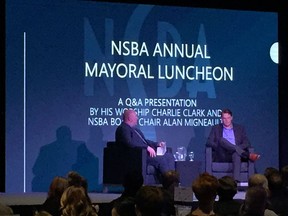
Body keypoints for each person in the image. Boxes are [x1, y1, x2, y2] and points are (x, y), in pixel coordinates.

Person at [115, 109, 175, 182]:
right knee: (161, 159)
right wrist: (146, 148)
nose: (137, 118)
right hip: (137, 156)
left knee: (169, 156)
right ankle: (168, 183)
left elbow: (145, 141)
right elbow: (129, 143)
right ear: (130, 118)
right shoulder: (123, 128)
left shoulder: (136, 130)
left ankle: (173, 180)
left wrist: (157, 144)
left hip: (144, 154)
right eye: (136, 116)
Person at [206, 108, 260, 182]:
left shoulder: (240, 128)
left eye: (228, 118)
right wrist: (219, 145)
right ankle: (247, 155)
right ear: (221, 119)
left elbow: (247, 143)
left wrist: (236, 148)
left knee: (236, 153)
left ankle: (236, 182)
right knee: (221, 140)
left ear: (231, 118)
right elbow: (208, 142)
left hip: (236, 154)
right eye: (224, 118)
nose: (226, 120)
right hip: (223, 154)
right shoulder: (216, 128)